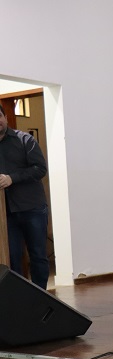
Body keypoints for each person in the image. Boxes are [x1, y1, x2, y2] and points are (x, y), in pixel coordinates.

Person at [0, 104, 50, 289]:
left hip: (32, 208)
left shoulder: (25, 140)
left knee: (38, 255)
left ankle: (41, 296)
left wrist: (12, 178)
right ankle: (20, 298)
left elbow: (40, 169)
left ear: (5, 117)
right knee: (12, 259)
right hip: (6, 213)